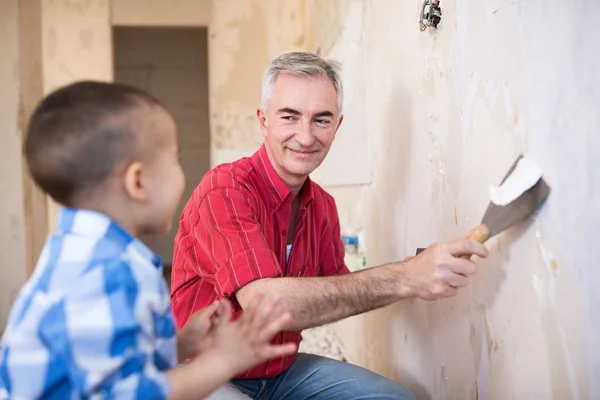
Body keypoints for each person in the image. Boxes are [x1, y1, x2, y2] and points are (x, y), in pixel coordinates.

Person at [170, 52, 489, 399]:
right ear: (263, 121)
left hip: (281, 372)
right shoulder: (224, 191)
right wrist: (406, 276)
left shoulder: (322, 206)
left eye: (321, 120)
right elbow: (268, 302)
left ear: (337, 126)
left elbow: (338, 293)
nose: (306, 137)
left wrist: (420, 268)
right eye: (289, 117)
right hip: (204, 372)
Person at [0, 81, 297, 400]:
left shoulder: (78, 251)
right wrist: (225, 359)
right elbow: (136, 395)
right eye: (175, 160)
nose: (182, 174)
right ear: (138, 182)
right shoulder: (111, 273)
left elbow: (114, 355)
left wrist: (181, 343)